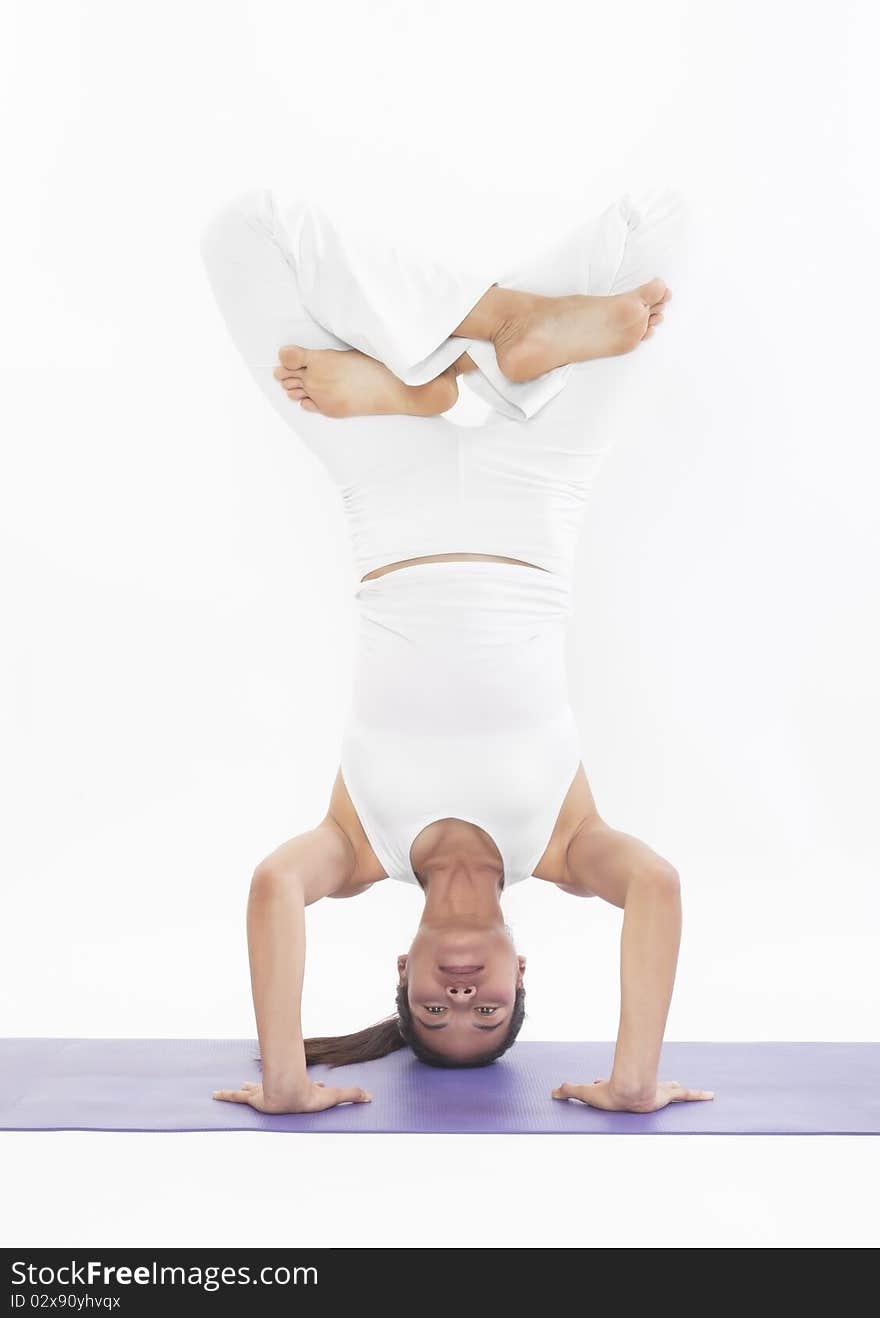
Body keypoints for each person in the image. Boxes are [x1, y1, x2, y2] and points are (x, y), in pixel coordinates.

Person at [198, 184, 713, 1117]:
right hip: (538, 491)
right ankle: (497, 350)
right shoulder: (565, 844)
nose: (464, 997)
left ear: (406, 966)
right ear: (524, 971)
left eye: (436, 1009)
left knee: (244, 233)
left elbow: (275, 886)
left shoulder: (358, 848)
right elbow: (657, 886)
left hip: (385, 484)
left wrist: (285, 1081)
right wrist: (632, 1081)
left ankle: (456, 374)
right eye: (490, 1010)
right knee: (657, 227)